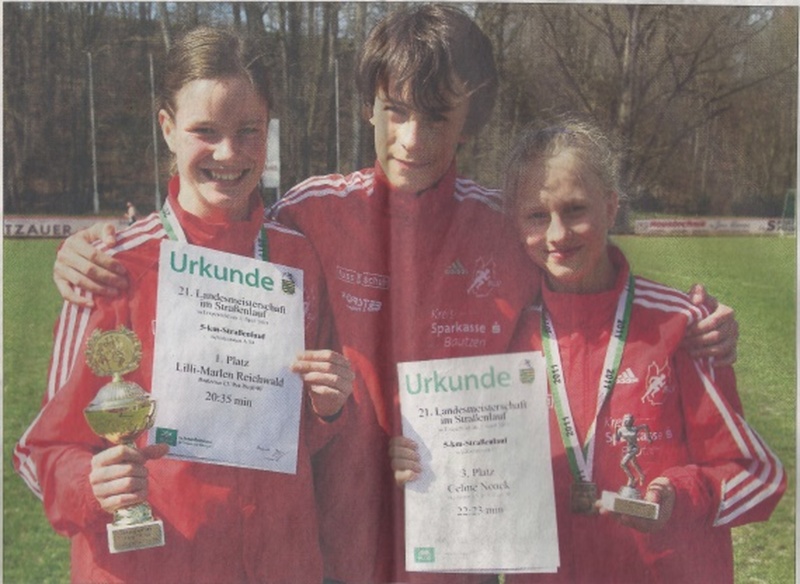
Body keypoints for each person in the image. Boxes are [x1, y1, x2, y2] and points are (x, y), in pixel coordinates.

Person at [49, 6, 739, 583]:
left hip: (463, 550)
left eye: (438, 117)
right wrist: (89, 251)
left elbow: (586, 285)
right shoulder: (310, 214)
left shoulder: (499, 228)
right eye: (396, 111)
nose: (412, 139)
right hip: (327, 553)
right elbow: (219, 230)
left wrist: (696, 325)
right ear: (369, 105)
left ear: (472, 118)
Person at [13, 26, 355, 584]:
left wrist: (328, 407)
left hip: (278, 564)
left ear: (268, 129)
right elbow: (42, 450)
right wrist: (91, 485)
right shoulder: (113, 265)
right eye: (205, 131)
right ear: (168, 129)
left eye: (249, 130)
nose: (228, 153)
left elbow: (298, 436)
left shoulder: (298, 261)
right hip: (151, 567)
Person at [392, 117, 785, 583]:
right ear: (516, 225)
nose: (558, 234)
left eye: (575, 209)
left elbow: (758, 475)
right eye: (537, 216)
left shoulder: (680, 326)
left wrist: (681, 494)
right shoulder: (503, 335)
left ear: (611, 206)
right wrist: (422, 456)